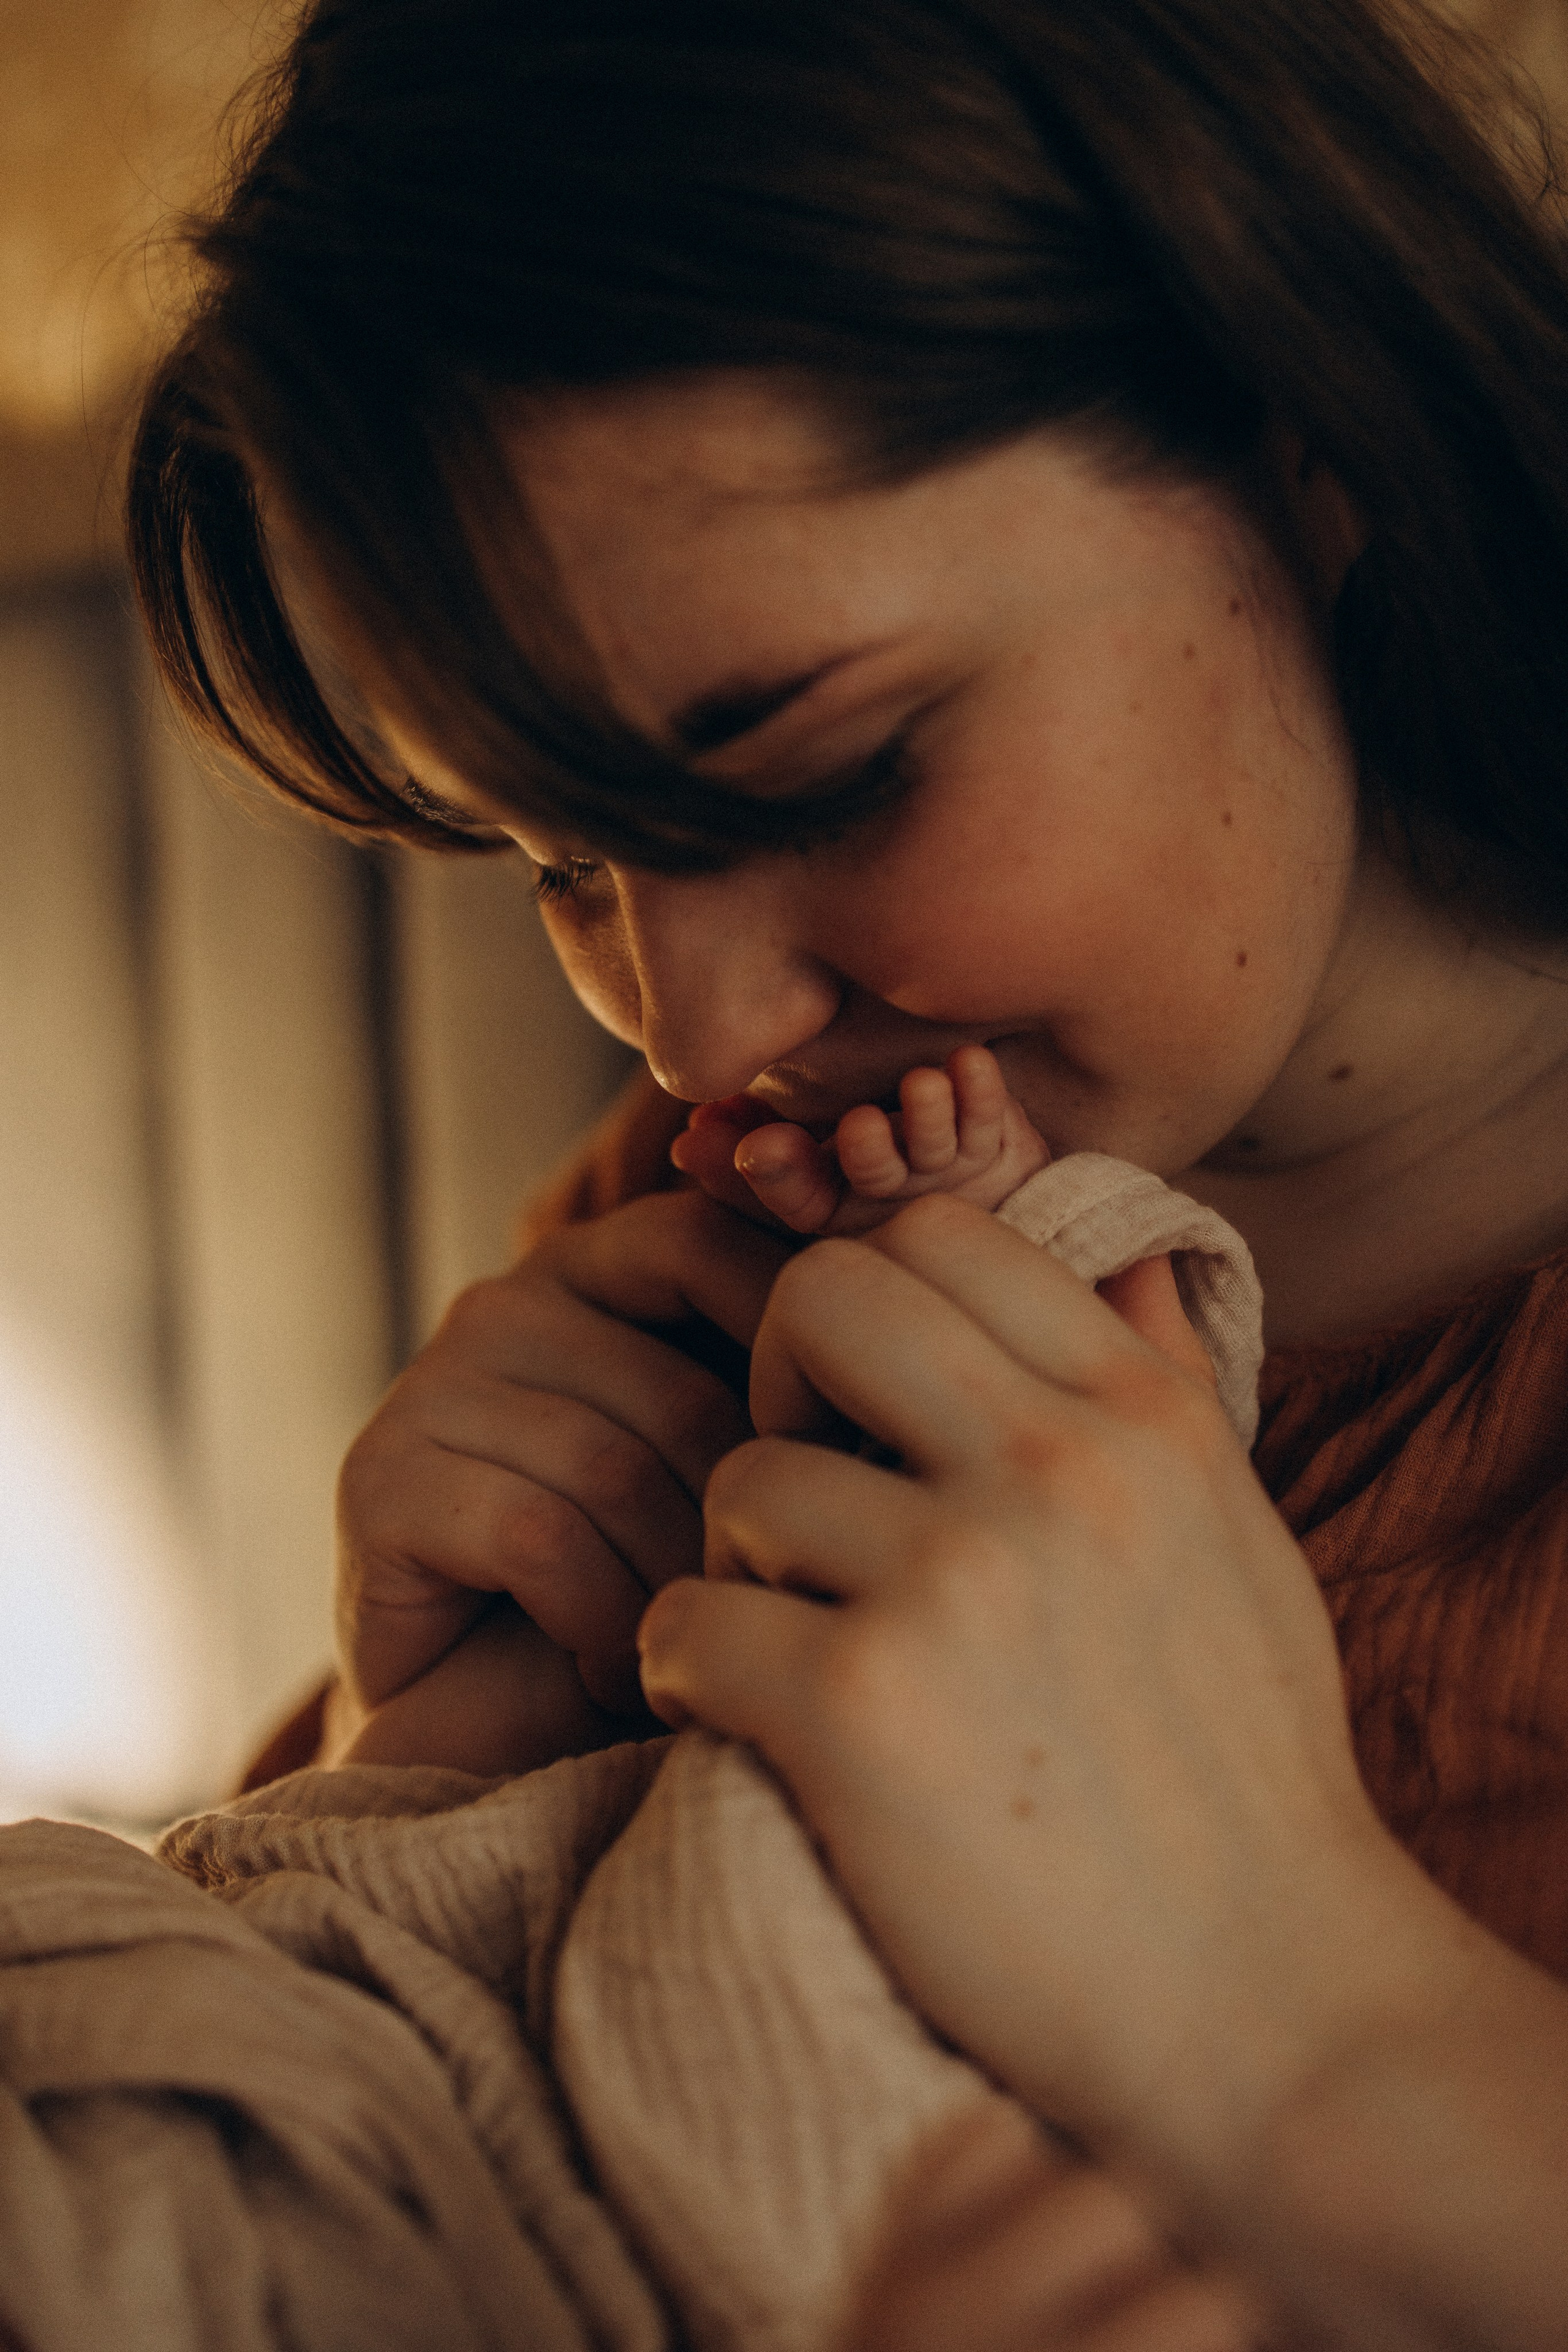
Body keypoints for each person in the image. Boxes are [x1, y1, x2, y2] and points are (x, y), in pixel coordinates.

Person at [127, 0, 1568, 2340]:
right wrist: (424, 1771)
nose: (700, 1040)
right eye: (559, 864)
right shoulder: (674, 1257)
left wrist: (1302, 2022)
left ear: (1310, 427)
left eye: (823, 773)